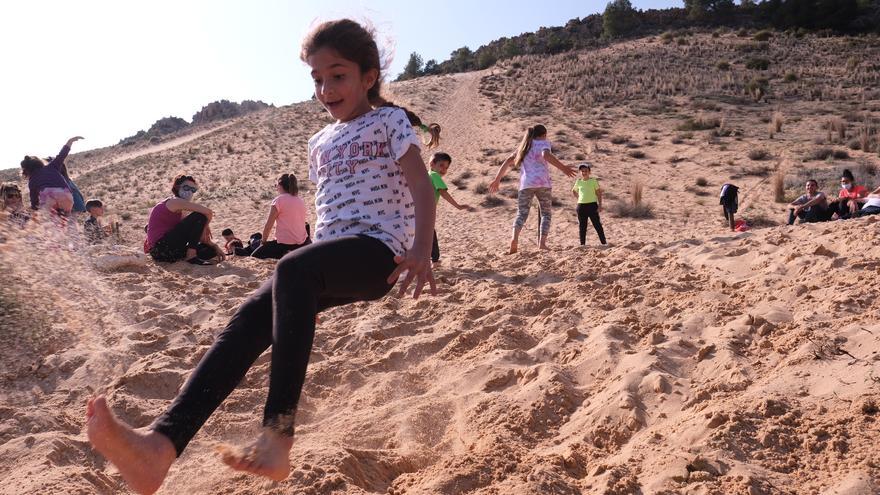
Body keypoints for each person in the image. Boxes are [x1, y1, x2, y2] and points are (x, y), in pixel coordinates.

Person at [86, 18, 439, 494]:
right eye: (316, 78)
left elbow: (421, 185)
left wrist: (420, 249)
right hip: (329, 256)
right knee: (252, 313)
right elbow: (334, 206)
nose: (326, 88)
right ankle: (159, 448)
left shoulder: (390, 121)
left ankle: (277, 436)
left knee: (292, 266)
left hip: (382, 253)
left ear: (368, 76)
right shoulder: (319, 141)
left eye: (337, 75)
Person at [488, 124, 576, 253]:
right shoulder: (543, 143)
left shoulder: (524, 146)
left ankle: (514, 239)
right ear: (544, 134)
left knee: (522, 213)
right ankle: (542, 243)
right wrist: (564, 168)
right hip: (543, 183)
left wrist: (497, 179)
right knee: (546, 214)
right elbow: (546, 155)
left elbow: (507, 161)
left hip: (526, 184)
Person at [143, 175, 225, 265]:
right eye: (186, 187)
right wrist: (205, 226)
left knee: (209, 250)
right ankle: (191, 256)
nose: (189, 192)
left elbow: (195, 234)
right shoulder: (174, 202)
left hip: (168, 251)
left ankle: (190, 255)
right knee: (199, 216)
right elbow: (208, 212)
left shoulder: (182, 211)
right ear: (177, 187)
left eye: (193, 190)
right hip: (160, 248)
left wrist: (214, 246)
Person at [250, 174, 310, 260]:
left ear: (280, 185)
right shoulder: (300, 201)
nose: (276, 187)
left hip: (284, 245)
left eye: (276, 185)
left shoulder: (278, 200)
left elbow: (268, 226)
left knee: (254, 256)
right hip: (301, 244)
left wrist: (263, 242)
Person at [20, 136, 83, 215]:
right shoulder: (52, 166)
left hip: (49, 199)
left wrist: (34, 210)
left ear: (26, 171)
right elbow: (62, 155)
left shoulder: (32, 180)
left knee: (50, 220)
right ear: (39, 162)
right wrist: (70, 141)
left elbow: (34, 200)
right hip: (66, 196)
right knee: (65, 217)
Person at [428, 152, 471, 263]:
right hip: (425, 213)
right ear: (432, 164)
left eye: (446, 167)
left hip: (417, 211)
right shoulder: (434, 175)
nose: (444, 169)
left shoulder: (427, 175)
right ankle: (435, 261)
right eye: (441, 165)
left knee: (426, 236)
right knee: (431, 236)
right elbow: (443, 192)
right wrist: (458, 206)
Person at [571, 164, 606, 246]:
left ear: (589, 172)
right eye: (582, 171)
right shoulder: (578, 181)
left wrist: (600, 205)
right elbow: (573, 191)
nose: (584, 172)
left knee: (597, 225)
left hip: (592, 206)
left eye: (586, 171)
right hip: (581, 207)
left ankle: (604, 243)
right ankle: (582, 244)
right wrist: (579, 198)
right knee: (582, 226)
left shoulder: (593, 181)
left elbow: (599, 193)